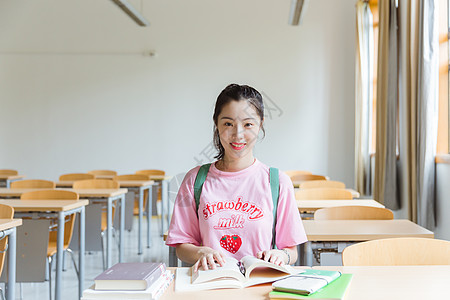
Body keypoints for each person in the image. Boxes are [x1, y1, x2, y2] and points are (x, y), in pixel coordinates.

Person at [166, 83, 307, 272]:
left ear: (260, 125)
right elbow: (182, 246)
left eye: (248, 124)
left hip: (260, 283)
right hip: (211, 284)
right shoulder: (194, 180)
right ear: (216, 124)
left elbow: (292, 250)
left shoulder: (278, 182)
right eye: (228, 124)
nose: (238, 134)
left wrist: (282, 255)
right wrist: (200, 252)